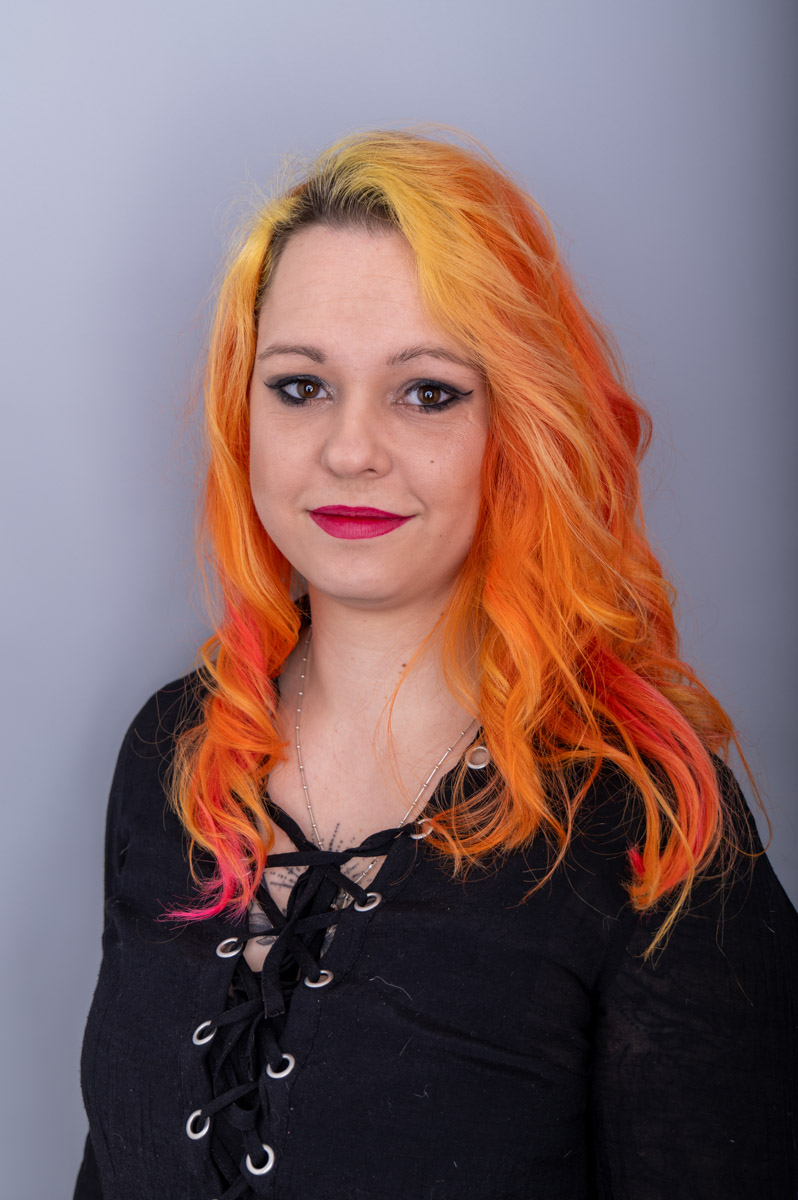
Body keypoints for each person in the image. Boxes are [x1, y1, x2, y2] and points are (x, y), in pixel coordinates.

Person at [74, 129, 797, 1200]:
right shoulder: (172, 752)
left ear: (520, 423)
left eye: (427, 393)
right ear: (244, 415)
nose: (350, 450)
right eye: (301, 386)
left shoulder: (650, 824)